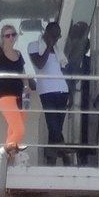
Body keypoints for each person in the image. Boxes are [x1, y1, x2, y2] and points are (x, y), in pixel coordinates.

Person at [29, 21, 71, 164]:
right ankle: (64, 154)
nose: (56, 39)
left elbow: (63, 69)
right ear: (47, 33)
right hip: (47, 91)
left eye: (58, 37)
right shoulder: (34, 46)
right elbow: (40, 64)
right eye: (54, 36)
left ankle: (51, 159)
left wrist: (70, 91)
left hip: (62, 90)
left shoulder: (58, 50)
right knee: (53, 125)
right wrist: (48, 46)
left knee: (57, 127)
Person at [0, 23, 28, 158]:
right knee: (19, 129)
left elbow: (23, 73)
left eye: (13, 35)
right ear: (2, 38)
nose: (11, 38)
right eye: (7, 35)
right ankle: (4, 155)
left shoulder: (19, 54)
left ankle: (10, 158)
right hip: (6, 96)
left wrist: (27, 88)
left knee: (13, 130)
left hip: (21, 96)